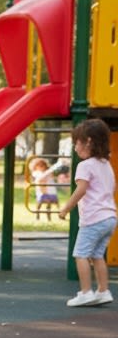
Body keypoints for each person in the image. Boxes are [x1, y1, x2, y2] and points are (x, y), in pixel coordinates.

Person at [58, 117, 116, 307]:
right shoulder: (106, 164)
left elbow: (81, 190)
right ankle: (103, 291)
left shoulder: (85, 166)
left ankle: (86, 292)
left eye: (77, 143)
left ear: (88, 142)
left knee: (80, 254)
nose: (75, 147)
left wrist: (66, 208)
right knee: (97, 255)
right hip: (110, 217)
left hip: (94, 218)